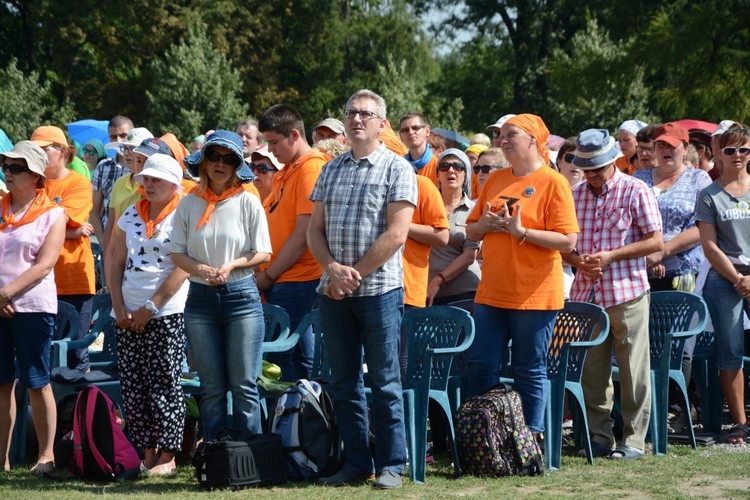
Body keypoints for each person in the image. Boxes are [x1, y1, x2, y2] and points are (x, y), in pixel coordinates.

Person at [308, 89, 416, 489]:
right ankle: (356, 464)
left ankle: (392, 465)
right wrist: (332, 269)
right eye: (351, 112)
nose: (357, 119)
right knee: (344, 382)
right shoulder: (331, 169)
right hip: (332, 291)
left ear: (381, 124)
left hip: (380, 292)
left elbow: (397, 234)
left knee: (385, 381)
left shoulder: (397, 168)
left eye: (366, 114)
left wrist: (351, 274)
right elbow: (313, 231)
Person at [465, 113, 578, 442]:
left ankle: (530, 439)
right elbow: (471, 228)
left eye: (511, 134)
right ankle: (484, 437)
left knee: (528, 369)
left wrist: (523, 232)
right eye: (501, 135)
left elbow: (568, 241)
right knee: (481, 365)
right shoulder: (496, 179)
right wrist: (485, 226)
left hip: (534, 294)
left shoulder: (553, 182)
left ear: (533, 140)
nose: (503, 139)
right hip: (492, 292)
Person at [564, 128, 663, 460]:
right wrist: (577, 260)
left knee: (634, 370)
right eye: (586, 169)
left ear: (611, 162)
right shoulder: (574, 194)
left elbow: (655, 242)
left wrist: (611, 256)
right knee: (593, 373)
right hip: (586, 295)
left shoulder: (636, 190)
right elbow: (564, 247)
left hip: (627, 291)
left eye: (597, 168)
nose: (591, 175)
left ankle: (633, 440)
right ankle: (600, 438)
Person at [170, 130, 271, 441]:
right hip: (199, 298)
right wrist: (202, 269)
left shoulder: (248, 201)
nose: (220, 164)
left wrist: (231, 266)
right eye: (214, 156)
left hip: (241, 296)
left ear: (237, 165)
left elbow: (263, 251)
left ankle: (252, 457)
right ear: (203, 161)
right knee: (211, 387)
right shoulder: (188, 203)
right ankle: (215, 456)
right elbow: (177, 253)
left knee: (243, 384)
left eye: (229, 159)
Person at [107, 154, 189, 474]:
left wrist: (150, 307)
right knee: (133, 384)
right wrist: (118, 305)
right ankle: (148, 453)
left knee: (164, 383)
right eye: (146, 178)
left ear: (173, 184)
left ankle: (168, 456)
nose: (148, 183)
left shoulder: (183, 213)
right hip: (126, 312)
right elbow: (114, 260)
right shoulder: (131, 211)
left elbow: (183, 267)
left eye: (156, 179)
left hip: (165, 311)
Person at [0, 141, 66, 473]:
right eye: (5, 166)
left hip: (33, 306)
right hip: (0, 304)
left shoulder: (54, 213)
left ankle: (46, 456)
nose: (7, 173)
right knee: (1, 383)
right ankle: (2, 460)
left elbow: (45, 265)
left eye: (16, 168)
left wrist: (6, 293)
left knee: (37, 382)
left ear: (36, 175)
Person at [257, 104, 328, 382]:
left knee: (280, 358)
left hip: (297, 279)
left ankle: (289, 422)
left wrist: (270, 275)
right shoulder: (289, 170)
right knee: (294, 355)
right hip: (283, 280)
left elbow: (304, 234)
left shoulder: (310, 169)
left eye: (274, 142)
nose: (270, 150)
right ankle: (299, 421)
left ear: (294, 135)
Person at [696, 124, 750, 444]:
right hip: (723, 278)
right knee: (730, 351)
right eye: (730, 150)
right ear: (718, 154)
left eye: (744, 149)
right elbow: (710, 247)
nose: (738, 156)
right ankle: (741, 423)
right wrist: (739, 279)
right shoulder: (709, 194)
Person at [31, 126, 96, 373]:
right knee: (39, 355)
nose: (37, 155)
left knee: (75, 357)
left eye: (43, 149)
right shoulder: (31, 183)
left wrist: (58, 228)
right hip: (36, 281)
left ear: (61, 151)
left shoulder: (78, 182)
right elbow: (26, 225)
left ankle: (79, 410)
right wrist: (70, 233)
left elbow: (43, 223)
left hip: (73, 281)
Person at [426, 149, 481, 306]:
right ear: (437, 175)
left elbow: (470, 255)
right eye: (444, 166)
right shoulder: (425, 207)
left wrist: (438, 280)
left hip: (465, 293)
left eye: (458, 166)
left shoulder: (474, 209)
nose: (451, 170)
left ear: (466, 174)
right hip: (426, 293)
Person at [91, 116, 133, 253]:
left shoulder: (139, 166)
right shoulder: (103, 166)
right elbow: (94, 209)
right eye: (113, 137)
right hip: (109, 239)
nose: (119, 141)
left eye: (123, 135)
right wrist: (103, 242)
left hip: (134, 241)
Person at [399, 112, 438, 185]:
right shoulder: (399, 167)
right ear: (401, 136)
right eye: (405, 130)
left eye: (415, 128)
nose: (410, 132)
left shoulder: (438, 167)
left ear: (427, 131)